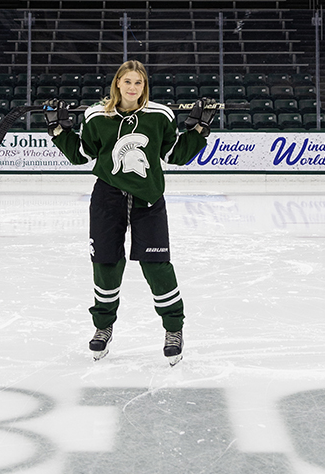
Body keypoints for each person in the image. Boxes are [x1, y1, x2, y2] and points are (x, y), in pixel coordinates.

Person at [44, 60, 216, 365]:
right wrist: (58, 129)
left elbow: (175, 155)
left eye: (138, 83)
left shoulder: (160, 115)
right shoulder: (96, 116)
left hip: (147, 199)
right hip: (107, 198)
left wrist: (200, 129)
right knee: (106, 263)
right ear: (117, 85)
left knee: (156, 265)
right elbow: (82, 155)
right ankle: (103, 327)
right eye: (127, 82)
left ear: (144, 86)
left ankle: (173, 329)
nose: (133, 88)